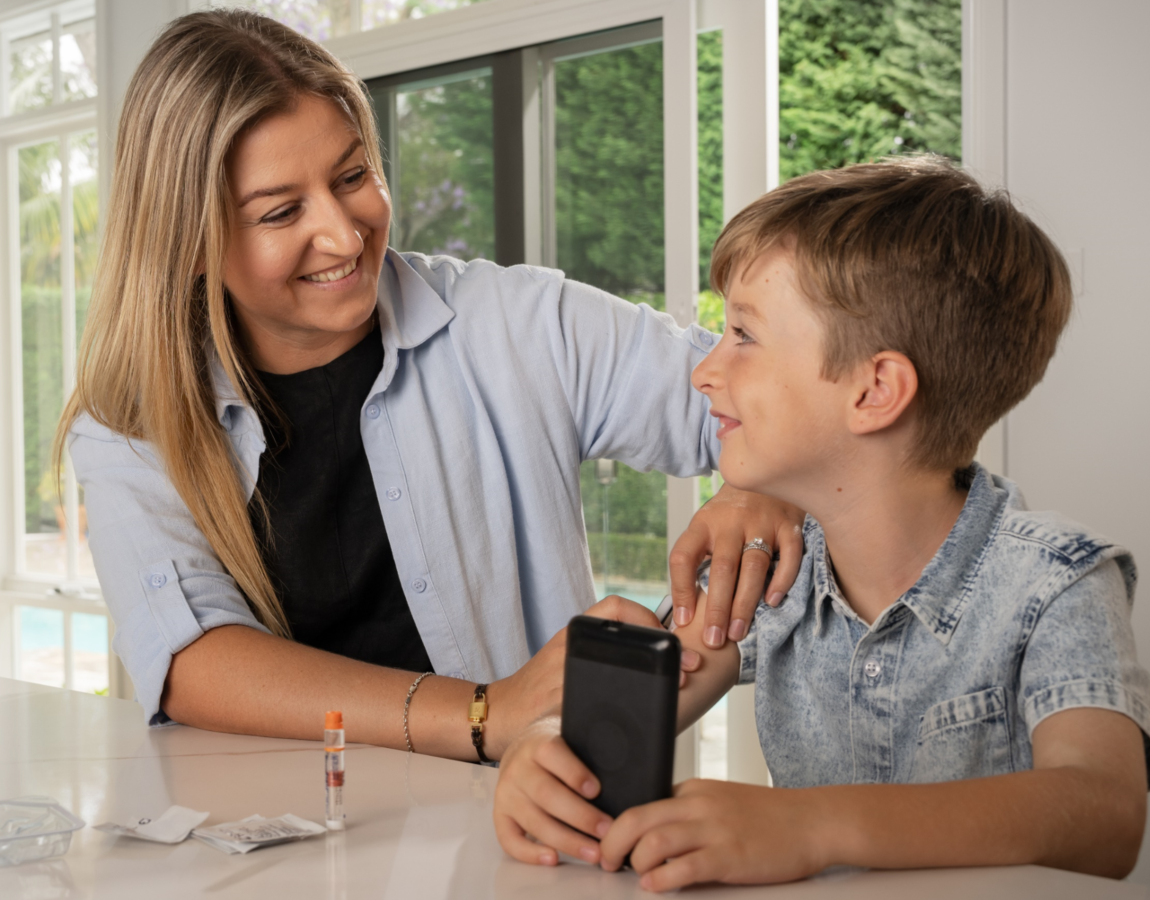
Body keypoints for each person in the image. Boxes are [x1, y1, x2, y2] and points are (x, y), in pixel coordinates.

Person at [55, 9, 804, 761]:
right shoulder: (129, 421)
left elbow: (806, 401)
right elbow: (191, 658)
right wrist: (486, 714)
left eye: (353, 177)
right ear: (189, 239)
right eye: (282, 211)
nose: (346, 237)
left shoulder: (519, 323)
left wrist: (763, 480)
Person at [493, 157, 1150, 889]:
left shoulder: (1059, 585)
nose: (703, 371)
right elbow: (622, 716)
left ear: (875, 390)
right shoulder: (766, 571)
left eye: (743, 335)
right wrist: (541, 747)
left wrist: (813, 825)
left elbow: (1104, 814)